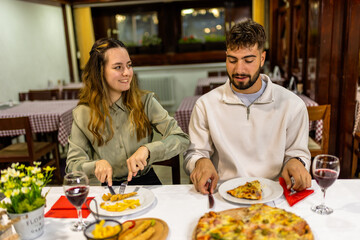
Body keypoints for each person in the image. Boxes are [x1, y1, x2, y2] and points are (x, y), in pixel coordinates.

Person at [184, 18, 311, 195]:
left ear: (262, 58)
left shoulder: (293, 105)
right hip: (222, 193)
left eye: (248, 60)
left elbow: (298, 153)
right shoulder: (205, 105)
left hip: (274, 193)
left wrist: (296, 161)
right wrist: (200, 162)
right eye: (232, 60)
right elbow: (194, 153)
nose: (239, 70)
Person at [66, 38, 190, 186]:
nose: (127, 73)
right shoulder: (82, 113)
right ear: (99, 72)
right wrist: (95, 166)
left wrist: (148, 150)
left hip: (147, 181)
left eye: (129, 65)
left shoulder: (145, 102)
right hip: (110, 186)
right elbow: (72, 165)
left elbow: (181, 138)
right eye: (118, 67)